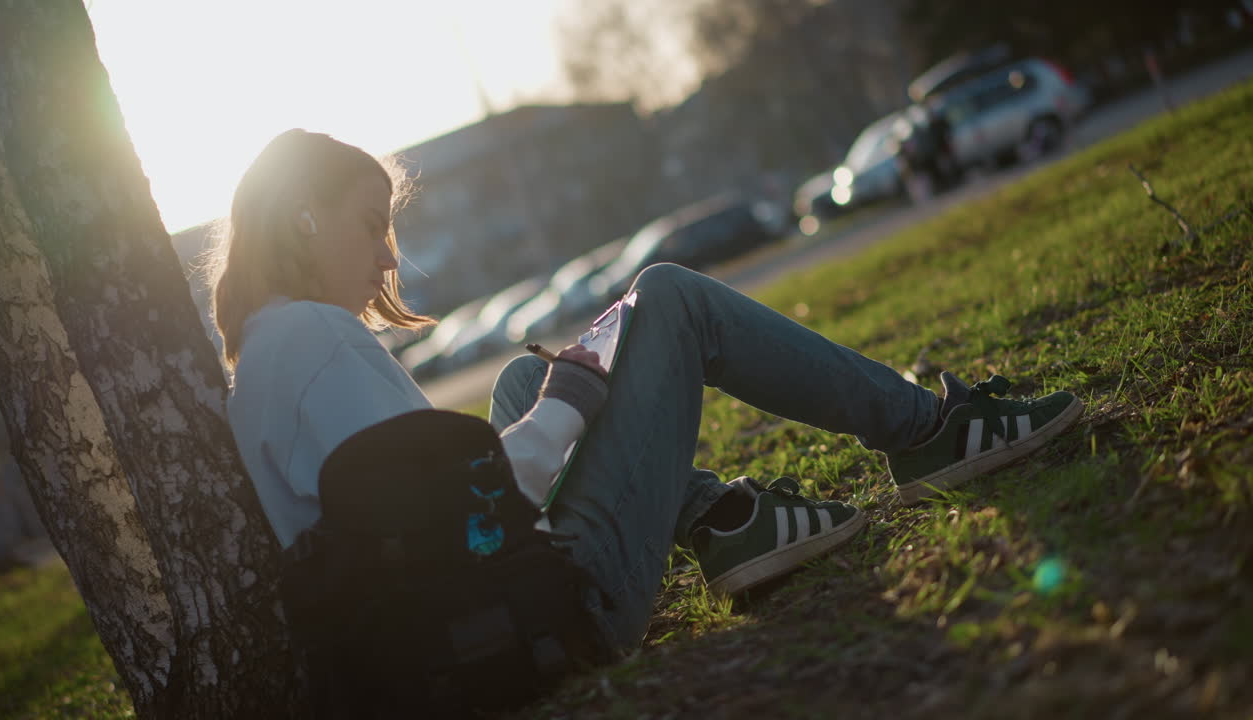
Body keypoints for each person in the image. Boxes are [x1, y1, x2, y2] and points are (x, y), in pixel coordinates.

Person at [215, 129, 1083, 658]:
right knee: (668, 297)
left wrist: (550, 398)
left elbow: (423, 513)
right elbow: (466, 516)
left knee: (519, 373)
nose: (388, 259)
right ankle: (928, 430)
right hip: (550, 609)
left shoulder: (269, 356)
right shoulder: (317, 342)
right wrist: (569, 406)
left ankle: (724, 524)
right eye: (374, 225)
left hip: (492, 608)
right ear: (304, 218)